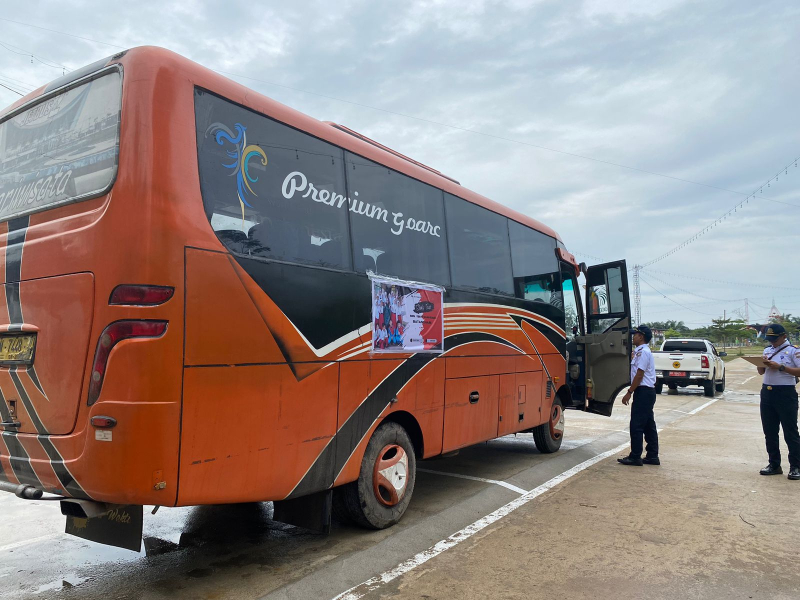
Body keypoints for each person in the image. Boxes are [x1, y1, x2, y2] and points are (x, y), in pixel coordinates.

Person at [756, 323, 800, 480]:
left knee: (790, 432)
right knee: (769, 431)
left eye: (775, 339)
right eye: (770, 339)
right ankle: (774, 464)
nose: (772, 342)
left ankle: (796, 466)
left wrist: (781, 367)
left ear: (784, 336)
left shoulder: (794, 351)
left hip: (785, 393)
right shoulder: (767, 350)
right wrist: (761, 363)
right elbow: (761, 372)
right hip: (767, 393)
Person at [618, 325, 659, 467]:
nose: (633, 337)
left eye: (635, 334)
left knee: (636, 425)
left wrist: (629, 392)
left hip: (643, 392)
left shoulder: (644, 353)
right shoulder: (639, 352)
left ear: (641, 337)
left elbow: (639, 375)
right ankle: (652, 455)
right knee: (648, 425)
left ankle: (635, 456)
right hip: (646, 392)